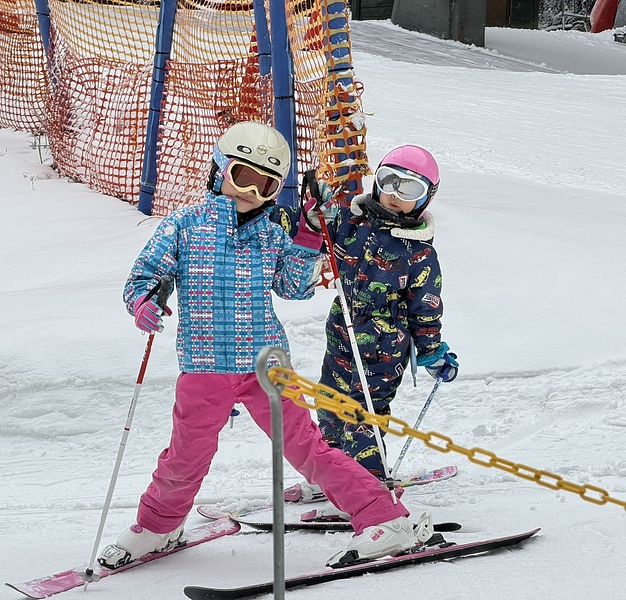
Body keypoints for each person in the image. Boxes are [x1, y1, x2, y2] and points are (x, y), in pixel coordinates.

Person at [97, 122, 430, 571]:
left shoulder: (273, 234)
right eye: (242, 176)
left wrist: (311, 232)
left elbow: (294, 288)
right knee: (185, 455)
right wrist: (144, 301)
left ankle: (381, 516)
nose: (251, 190)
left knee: (306, 448)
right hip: (205, 366)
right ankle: (160, 525)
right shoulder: (184, 226)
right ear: (219, 170)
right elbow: (143, 278)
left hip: (266, 365)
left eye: (265, 183)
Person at [286, 145, 459, 505]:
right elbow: (322, 230)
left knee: (361, 414)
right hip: (342, 330)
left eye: (409, 189)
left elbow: (425, 310)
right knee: (330, 403)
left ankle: (370, 490)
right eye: (389, 182)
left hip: (385, 346)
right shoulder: (352, 222)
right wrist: (315, 211)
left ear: (426, 198)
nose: (395, 195)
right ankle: (332, 475)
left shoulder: (420, 253)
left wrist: (432, 353)